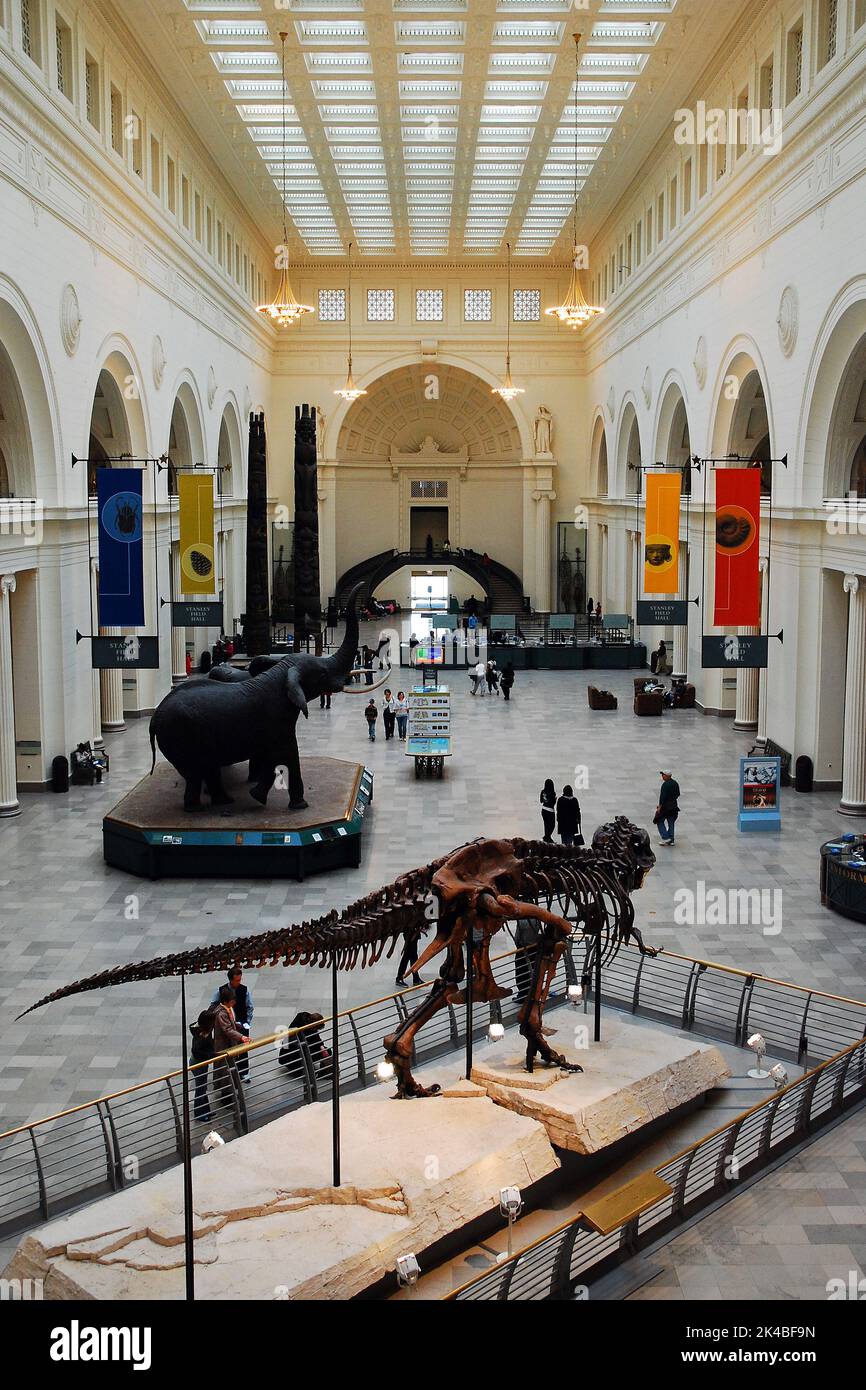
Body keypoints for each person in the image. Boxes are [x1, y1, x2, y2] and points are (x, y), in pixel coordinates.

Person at [211, 968, 253, 1083]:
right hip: (229, 1028)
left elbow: (250, 1006)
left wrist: (247, 1022)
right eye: (236, 980)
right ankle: (230, 1075)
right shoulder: (221, 991)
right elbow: (213, 1006)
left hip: (241, 1025)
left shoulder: (244, 990)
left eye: (240, 980)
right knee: (229, 1050)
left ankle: (244, 1072)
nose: (238, 982)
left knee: (243, 1050)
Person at [212, 985, 249, 1107]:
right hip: (224, 1046)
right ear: (226, 1001)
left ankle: (230, 1093)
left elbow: (230, 1026)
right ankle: (226, 1097)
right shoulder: (221, 1013)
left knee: (230, 1070)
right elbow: (227, 1029)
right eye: (232, 1000)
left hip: (229, 1045)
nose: (234, 1002)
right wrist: (241, 1037)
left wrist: (237, 1026)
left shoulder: (228, 1009)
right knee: (225, 1071)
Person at [278, 1012, 333, 1091]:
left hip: (305, 1049)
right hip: (292, 1056)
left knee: (327, 1051)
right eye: (315, 1029)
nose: (316, 1030)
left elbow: (316, 1038)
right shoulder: (296, 1028)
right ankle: (307, 1072)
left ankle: (324, 1071)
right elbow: (291, 1044)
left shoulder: (310, 1026)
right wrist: (312, 1047)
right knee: (306, 1056)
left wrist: (321, 1046)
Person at [189, 1009, 216, 1122]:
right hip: (199, 1064)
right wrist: (210, 1055)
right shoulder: (201, 1035)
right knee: (200, 1089)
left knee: (202, 1087)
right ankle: (199, 1113)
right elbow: (196, 1051)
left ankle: (205, 1110)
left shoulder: (203, 1030)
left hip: (200, 1063)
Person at [656, 769, 681, 846]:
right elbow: (678, 794)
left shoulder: (665, 785)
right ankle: (671, 840)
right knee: (671, 822)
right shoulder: (675, 783)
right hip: (674, 806)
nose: (662, 776)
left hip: (666, 807)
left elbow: (662, 797)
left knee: (659, 820)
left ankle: (666, 837)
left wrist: (659, 807)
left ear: (667, 776)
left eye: (663, 775)